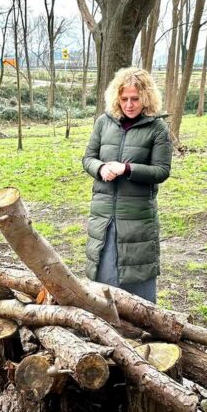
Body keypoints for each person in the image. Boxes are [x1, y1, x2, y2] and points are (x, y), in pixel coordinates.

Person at [82, 67, 172, 303]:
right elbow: (88, 158)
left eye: (135, 99)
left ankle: (142, 332)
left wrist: (127, 169)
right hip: (104, 217)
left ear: (146, 98)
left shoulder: (157, 128)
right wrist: (100, 168)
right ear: (116, 98)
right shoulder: (104, 123)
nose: (129, 104)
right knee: (104, 280)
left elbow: (162, 171)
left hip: (137, 219)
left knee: (137, 280)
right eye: (124, 99)